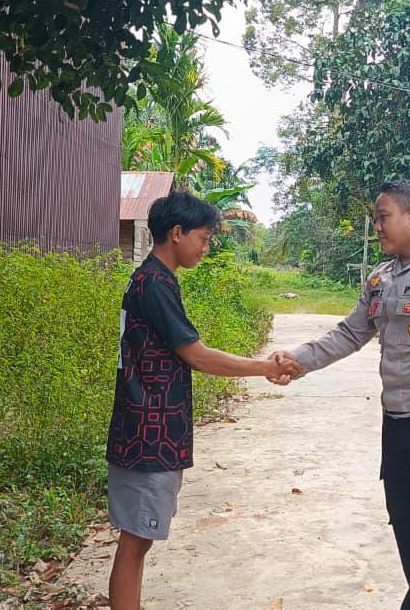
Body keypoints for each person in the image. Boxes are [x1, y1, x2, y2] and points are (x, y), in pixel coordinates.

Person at [273, 179, 410, 610]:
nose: (377, 227)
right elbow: (349, 333)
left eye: (383, 217)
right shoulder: (381, 278)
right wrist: (298, 360)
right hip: (396, 427)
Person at [106, 191, 300, 610]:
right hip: (148, 434)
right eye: (204, 238)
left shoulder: (154, 279)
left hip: (148, 429)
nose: (206, 247)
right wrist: (263, 368)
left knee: (138, 540)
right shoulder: (154, 284)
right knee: (136, 541)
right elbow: (196, 355)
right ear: (177, 233)